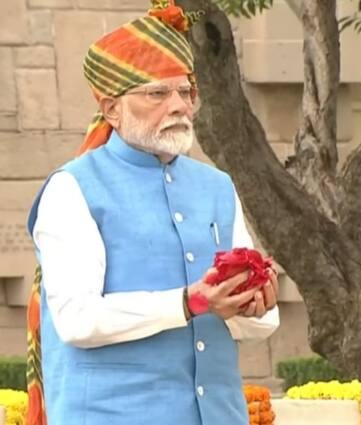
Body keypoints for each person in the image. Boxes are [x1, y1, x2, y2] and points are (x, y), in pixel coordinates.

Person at [25, 1, 279, 424]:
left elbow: (255, 324)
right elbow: (76, 320)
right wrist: (187, 302)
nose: (178, 105)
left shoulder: (216, 186)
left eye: (185, 92)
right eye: (157, 93)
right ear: (111, 109)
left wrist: (254, 308)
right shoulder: (73, 189)